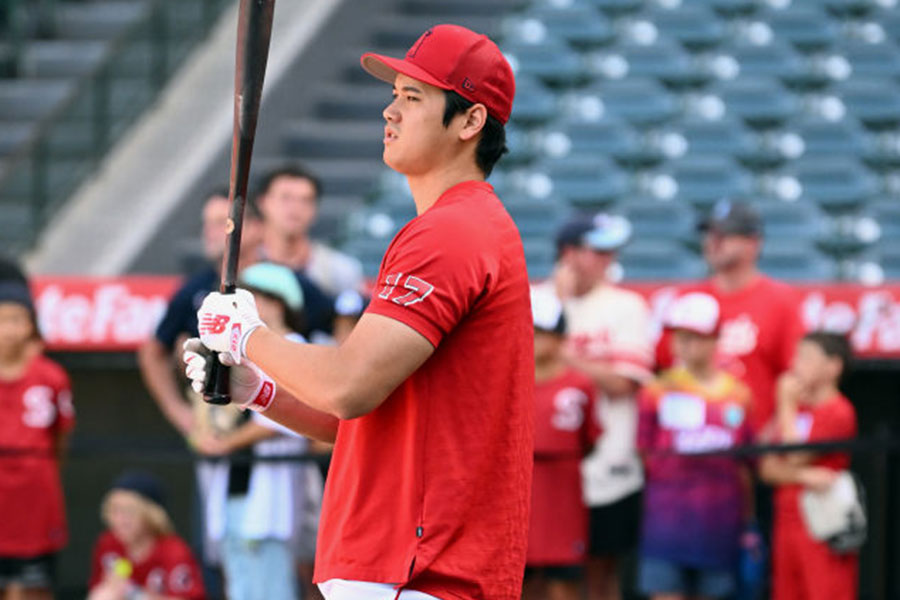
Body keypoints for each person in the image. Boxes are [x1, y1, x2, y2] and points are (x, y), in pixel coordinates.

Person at [183, 24, 533, 600]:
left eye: (413, 97)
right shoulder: (461, 226)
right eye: (395, 94)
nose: (390, 112)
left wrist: (247, 334)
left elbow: (348, 387)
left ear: (471, 122)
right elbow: (360, 421)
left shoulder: (451, 231)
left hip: (416, 566)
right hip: (413, 565)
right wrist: (259, 390)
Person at [189, 262, 322, 600]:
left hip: (271, 489)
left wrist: (227, 442)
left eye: (254, 298)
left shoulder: (295, 346)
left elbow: (286, 418)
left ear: (277, 302)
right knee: (241, 586)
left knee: (273, 587)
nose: (243, 310)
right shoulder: (237, 350)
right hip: (235, 486)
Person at [538, 213, 653, 600]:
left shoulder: (626, 305)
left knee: (603, 575)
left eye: (610, 251)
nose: (608, 259)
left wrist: (560, 353)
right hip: (547, 467)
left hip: (609, 463)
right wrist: (560, 304)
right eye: (597, 250)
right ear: (568, 254)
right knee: (535, 576)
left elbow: (622, 383)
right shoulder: (537, 301)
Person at [637, 292, 754, 600]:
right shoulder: (656, 390)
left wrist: (749, 523)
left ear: (715, 340)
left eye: (695, 337)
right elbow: (644, 452)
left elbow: (746, 464)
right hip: (665, 524)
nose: (684, 344)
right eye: (680, 336)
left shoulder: (739, 394)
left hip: (719, 525)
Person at [655, 199, 805, 434]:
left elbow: (796, 381)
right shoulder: (686, 298)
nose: (714, 242)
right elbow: (662, 367)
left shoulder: (781, 301)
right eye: (709, 234)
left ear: (753, 243)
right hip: (687, 440)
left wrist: (769, 440)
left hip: (751, 444)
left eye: (726, 235)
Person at [759, 332, 859, 600]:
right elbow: (765, 465)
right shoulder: (795, 410)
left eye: (806, 358)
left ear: (833, 366)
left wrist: (786, 405)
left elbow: (793, 455)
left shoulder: (838, 410)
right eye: (796, 356)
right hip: (786, 520)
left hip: (822, 523)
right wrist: (804, 475)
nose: (796, 365)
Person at [0, 277, 75, 600]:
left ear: (31, 325)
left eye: (17, 319)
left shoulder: (50, 377)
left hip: (35, 498)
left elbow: (62, 436)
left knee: (35, 586)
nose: (8, 329)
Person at [524, 290, 598, 600]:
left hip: (562, 495)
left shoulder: (578, 386)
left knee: (563, 582)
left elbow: (590, 438)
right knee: (516, 581)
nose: (532, 340)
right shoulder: (505, 384)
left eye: (540, 333)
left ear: (559, 338)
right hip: (519, 493)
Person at [87, 471, 206, 600]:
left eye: (129, 511)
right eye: (114, 510)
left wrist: (134, 593)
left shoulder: (173, 550)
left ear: (152, 515)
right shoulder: (109, 544)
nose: (119, 520)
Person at [255, 165, 363, 296]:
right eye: (285, 197)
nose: (295, 207)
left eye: (306, 200)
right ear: (262, 202)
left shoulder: (340, 270)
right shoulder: (242, 262)